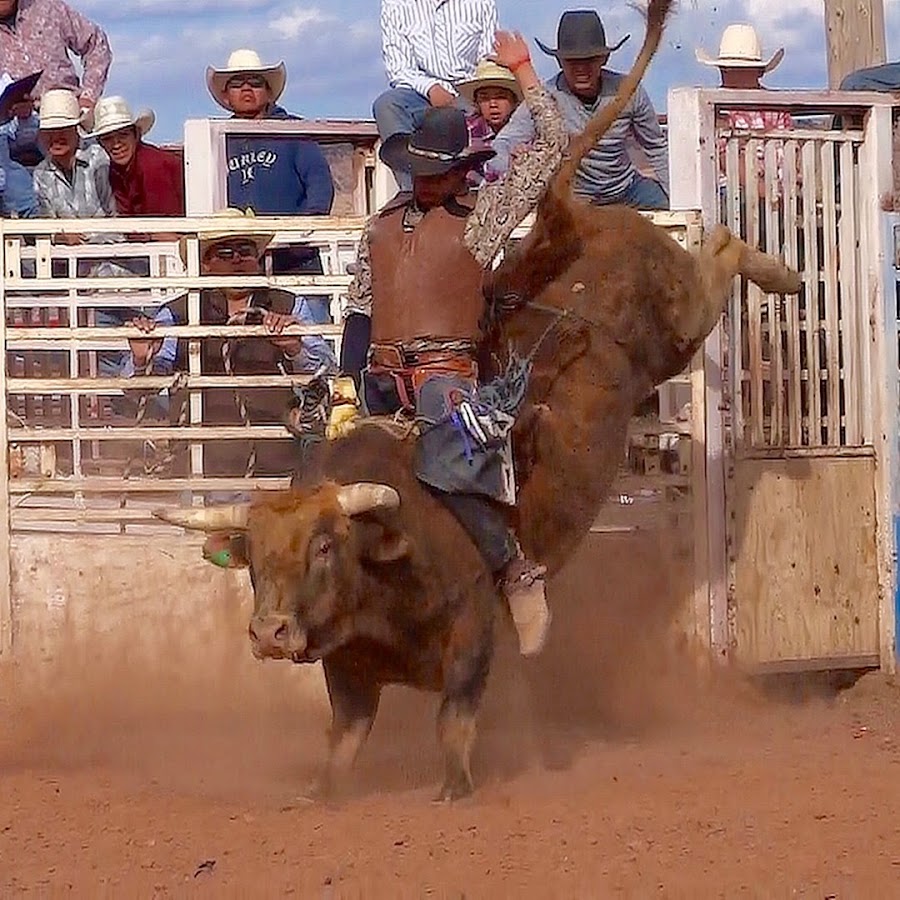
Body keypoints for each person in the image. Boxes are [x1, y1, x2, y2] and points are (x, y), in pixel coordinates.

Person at [337, 31, 568, 657]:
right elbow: (361, 304)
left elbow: (551, 145)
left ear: (460, 171)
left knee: (448, 467)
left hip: (447, 376)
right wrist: (343, 383)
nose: (427, 183)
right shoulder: (382, 225)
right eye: (419, 171)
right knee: (332, 468)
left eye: (437, 172)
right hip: (381, 375)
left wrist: (523, 71)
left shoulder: (483, 215)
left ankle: (512, 566)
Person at [125, 209, 336, 479]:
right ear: (206, 264)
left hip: (276, 465)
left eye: (245, 251)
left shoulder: (289, 305)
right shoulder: (178, 312)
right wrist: (143, 361)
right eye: (224, 253)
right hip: (200, 466)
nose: (237, 259)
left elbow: (326, 373)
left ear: (257, 260)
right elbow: (141, 388)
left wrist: (294, 348)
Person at [488, 10, 669, 209]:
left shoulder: (629, 91)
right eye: (572, 61)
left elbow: (656, 147)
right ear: (559, 62)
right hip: (573, 199)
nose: (581, 68)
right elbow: (502, 144)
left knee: (676, 214)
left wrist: (681, 199)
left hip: (626, 189)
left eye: (589, 60)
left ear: (603, 59)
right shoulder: (546, 98)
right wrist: (511, 162)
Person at [374, 0, 499, 190]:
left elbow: (488, 58)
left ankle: (475, 185)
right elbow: (399, 68)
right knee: (387, 105)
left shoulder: (481, 2)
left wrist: (473, 93)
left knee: (493, 105)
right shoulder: (396, 4)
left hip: (469, 89)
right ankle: (411, 191)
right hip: (420, 92)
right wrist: (431, 88)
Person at [696, 24, 793, 204]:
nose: (725, 74)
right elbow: (726, 160)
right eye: (724, 68)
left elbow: (789, 150)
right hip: (733, 191)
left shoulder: (777, 106)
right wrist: (764, 189)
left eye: (733, 68)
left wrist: (785, 183)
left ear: (757, 72)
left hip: (777, 186)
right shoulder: (716, 109)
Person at [0, 0, 111, 114]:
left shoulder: (47, 8)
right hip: (19, 123)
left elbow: (96, 43)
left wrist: (89, 96)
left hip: (68, 113)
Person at [32, 88, 115, 236]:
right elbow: (46, 224)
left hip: (107, 252)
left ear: (76, 130)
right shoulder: (41, 173)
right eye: (50, 131)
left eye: (62, 129)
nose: (56, 137)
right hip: (65, 256)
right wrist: (60, 237)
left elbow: (115, 214)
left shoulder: (98, 159)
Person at [90, 95, 184, 219]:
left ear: (136, 135)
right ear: (100, 143)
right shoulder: (114, 171)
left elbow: (164, 228)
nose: (116, 144)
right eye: (107, 139)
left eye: (123, 135)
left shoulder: (154, 166)